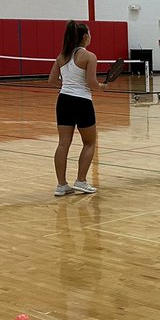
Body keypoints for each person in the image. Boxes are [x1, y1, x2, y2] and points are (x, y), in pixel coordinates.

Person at [48, 20, 105, 196]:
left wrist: (68, 83)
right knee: (89, 142)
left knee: (63, 143)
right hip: (82, 102)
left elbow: (51, 81)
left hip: (63, 101)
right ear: (85, 37)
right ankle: (81, 180)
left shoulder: (61, 56)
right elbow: (91, 83)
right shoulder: (89, 56)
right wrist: (101, 86)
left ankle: (61, 185)